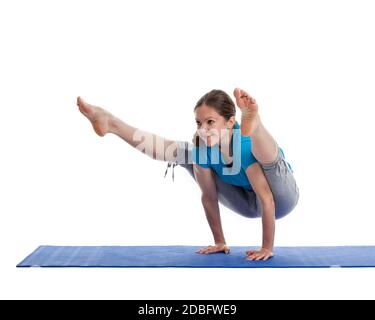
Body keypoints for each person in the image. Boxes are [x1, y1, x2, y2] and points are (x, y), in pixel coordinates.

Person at [76, 88, 299, 261]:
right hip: (250, 205)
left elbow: (268, 198)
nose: (203, 128)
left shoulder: (243, 145)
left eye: (210, 122)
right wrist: (219, 242)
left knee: (267, 159)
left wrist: (267, 247)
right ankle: (112, 124)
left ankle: (257, 125)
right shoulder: (202, 147)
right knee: (185, 153)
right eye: (199, 123)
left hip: (281, 197)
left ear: (231, 122)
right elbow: (209, 197)